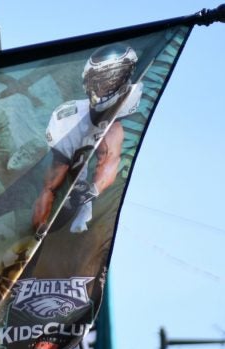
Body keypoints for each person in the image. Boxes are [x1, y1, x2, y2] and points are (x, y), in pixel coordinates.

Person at [33, 43, 143, 235]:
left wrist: (92, 191)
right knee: (52, 183)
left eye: (106, 81)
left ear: (122, 78)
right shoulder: (69, 116)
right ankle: (38, 230)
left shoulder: (116, 124)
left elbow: (110, 159)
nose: (98, 89)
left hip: (86, 181)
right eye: (95, 82)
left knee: (111, 142)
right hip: (69, 171)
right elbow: (53, 178)